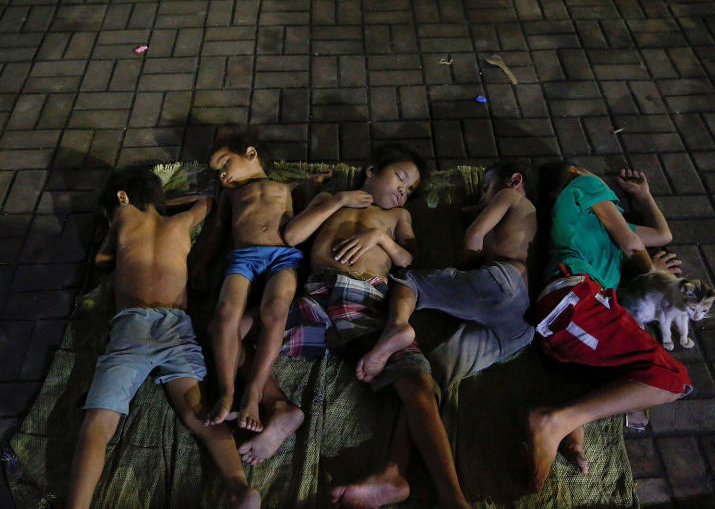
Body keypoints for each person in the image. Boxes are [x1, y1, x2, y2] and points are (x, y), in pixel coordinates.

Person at [283, 145, 471, 509]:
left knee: (419, 382)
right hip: (315, 295)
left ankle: (452, 497)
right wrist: (337, 200)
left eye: (410, 190)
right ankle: (276, 409)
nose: (403, 191)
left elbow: (407, 258)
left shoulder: (397, 215)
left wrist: (379, 238)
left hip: (362, 298)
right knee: (235, 334)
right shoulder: (330, 199)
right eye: (400, 178)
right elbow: (293, 236)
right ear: (371, 171)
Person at [66, 166, 259, 509]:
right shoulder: (180, 223)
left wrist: (125, 219)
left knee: (99, 422)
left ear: (122, 198)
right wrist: (163, 206)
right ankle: (238, 486)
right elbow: (206, 202)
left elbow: (101, 261)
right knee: (198, 414)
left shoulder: (123, 217)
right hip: (177, 326)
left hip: (133, 326)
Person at [523, 163, 692, 491]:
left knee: (627, 378)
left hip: (574, 316)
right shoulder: (583, 185)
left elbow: (660, 236)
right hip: (575, 297)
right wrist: (654, 277)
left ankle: (572, 426)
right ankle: (557, 421)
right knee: (673, 380)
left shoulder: (596, 229)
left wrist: (644, 196)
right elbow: (631, 244)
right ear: (573, 171)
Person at [358, 162, 538, 394]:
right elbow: (473, 212)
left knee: (409, 281)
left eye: (486, 187)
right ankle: (425, 386)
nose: (483, 196)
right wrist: (478, 206)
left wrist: (466, 267)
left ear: (514, 180)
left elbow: (474, 233)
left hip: (502, 283)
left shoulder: (509, 195)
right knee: (438, 371)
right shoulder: (530, 217)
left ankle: (398, 324)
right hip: (520, 327)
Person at [190, 134, 304, 434]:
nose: (222, 174)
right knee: (225, 313)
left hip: (283, 257)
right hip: (243, 257)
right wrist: (200, 264)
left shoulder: (285, 188)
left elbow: (304, 211)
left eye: (225, 163)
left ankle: (253, 392)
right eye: (218, 172)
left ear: (251, 153)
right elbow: (215, 231)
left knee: (275, 312)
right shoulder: (230, 196)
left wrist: (317, 186)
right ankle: (228, 391)